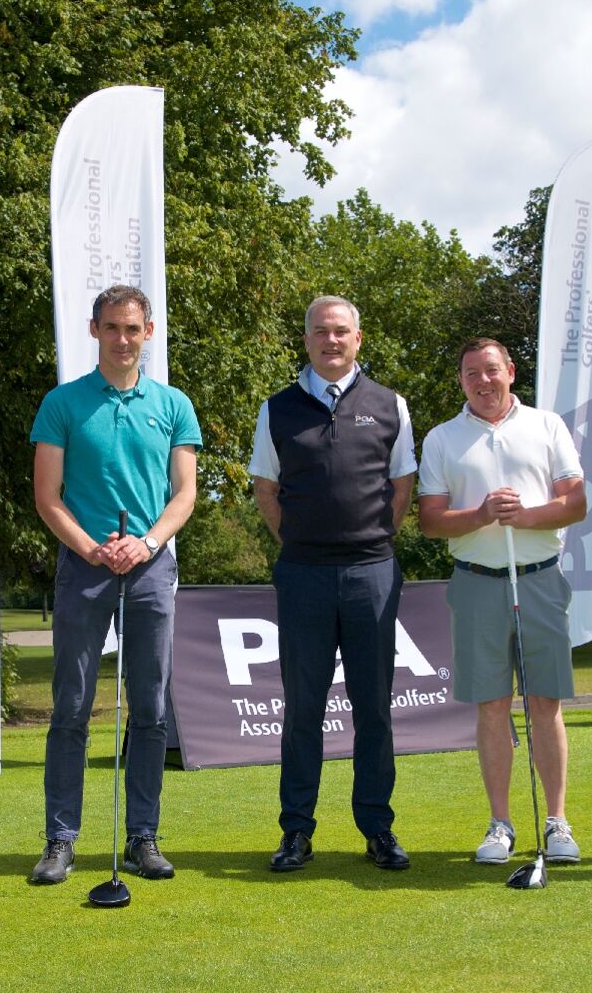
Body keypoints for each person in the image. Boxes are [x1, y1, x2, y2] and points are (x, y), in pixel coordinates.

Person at [28, 284, 200, 884]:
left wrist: (146, 543)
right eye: (111, 328)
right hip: (85, 566)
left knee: (150, 708)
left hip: (150, 567)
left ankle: (142, 837)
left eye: (132, 328)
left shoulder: (174, 404)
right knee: (71, 706)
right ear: (94, 330)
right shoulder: (63, 402)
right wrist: (91, 548)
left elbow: (184, 494)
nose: (122, 339)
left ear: (148, 332)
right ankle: (60, 839)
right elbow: (47, 496)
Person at [249, 295, 417, 872]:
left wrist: (371, 542)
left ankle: (378, 828)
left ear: (358, 338)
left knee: (374, 708)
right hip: (303, 575)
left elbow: (402, 485)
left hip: (373, 572)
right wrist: (302, 543)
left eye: (341, 331)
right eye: (320, 331)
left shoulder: (391, 404)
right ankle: (296, 830)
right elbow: (266, 490)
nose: (331, 340)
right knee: (303, 709)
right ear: (306, 340)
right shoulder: (277, 409)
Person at [417, 339, 587, 866]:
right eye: (471, 373)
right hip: (476, 582)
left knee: (544, 702)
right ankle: (500, 823)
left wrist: (525, 516)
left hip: (540, 577)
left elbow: (576, 502)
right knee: (491, 704)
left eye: (491, 370)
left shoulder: (547, 426)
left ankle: (556, 821)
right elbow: (430, 520)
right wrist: (482, 515)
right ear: (461, 381)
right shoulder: (443, 438)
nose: (483, 381)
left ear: (510, 372)